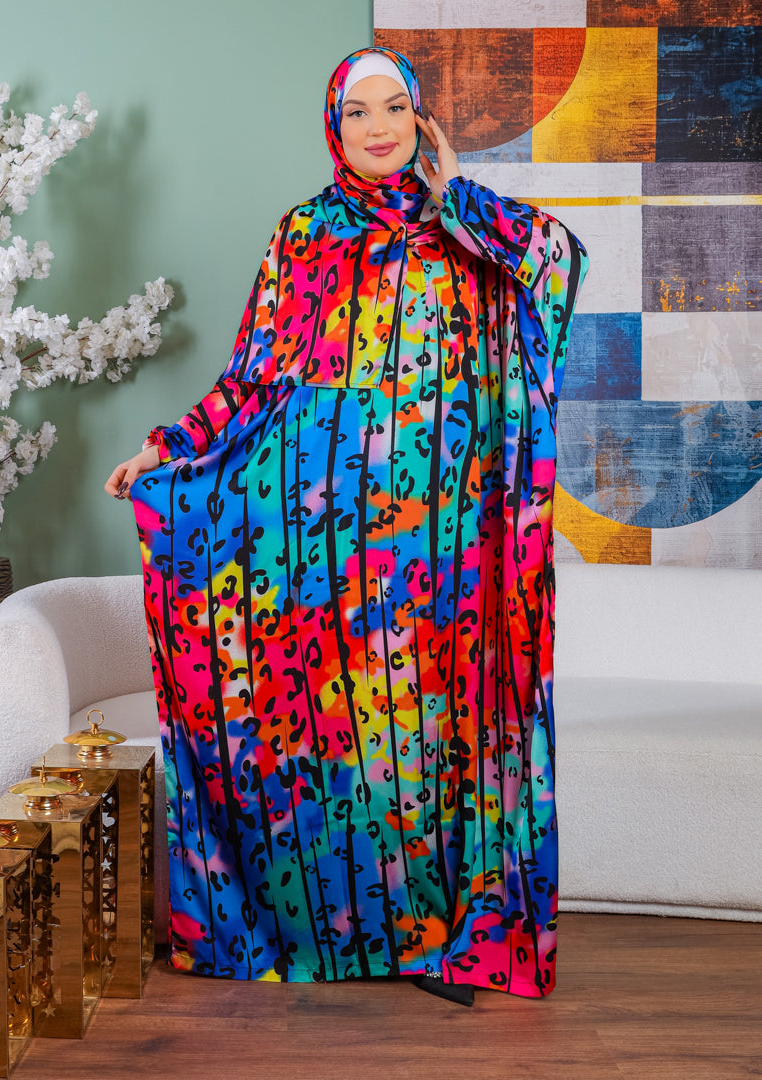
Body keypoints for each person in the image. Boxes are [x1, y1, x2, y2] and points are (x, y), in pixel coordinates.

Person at [105, 47, 587, 1004]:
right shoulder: (304, 236)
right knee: (345, 738)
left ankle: (446, 934)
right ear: (334, 125)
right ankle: (338, 935)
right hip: (331, 552)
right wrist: (169, 449)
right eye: (358, 111)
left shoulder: (468, 231)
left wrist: (459, 195)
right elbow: (251, 382)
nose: (378, 127)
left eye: (395, 108)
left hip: (450, 549)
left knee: (438, 738)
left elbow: (558, 262)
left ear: (421, 120)